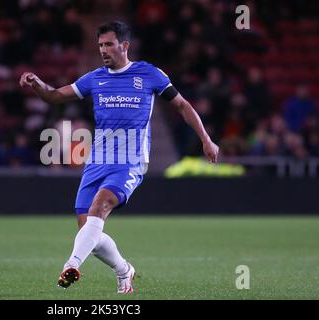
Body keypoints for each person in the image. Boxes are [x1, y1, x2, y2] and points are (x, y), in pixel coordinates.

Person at [19, 21, 219, 294]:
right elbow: (54, 97)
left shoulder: (149, 74)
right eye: (100, 45)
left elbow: (182, 105)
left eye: (109, 44)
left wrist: (206, 139)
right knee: (87, 228)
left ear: (124, 46)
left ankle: (71, 265)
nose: (103, 50)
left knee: (99, 207)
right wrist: (37, 83)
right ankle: (124, 270)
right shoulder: (94, 78)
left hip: (130, 160)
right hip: (97, 161)